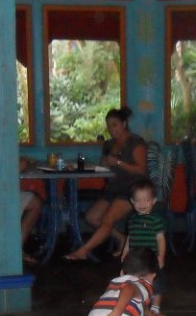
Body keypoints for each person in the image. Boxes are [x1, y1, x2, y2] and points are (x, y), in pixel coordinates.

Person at [63, 106, 148, 260]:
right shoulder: (109, 144)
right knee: (92, 217)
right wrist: (103, 163)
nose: (111, 129)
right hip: (114, 188)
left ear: (124, 124)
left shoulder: (136, 142)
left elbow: (141, 170)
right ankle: (123, 239)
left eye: (115, 125)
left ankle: (83, 251)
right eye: (109, 126)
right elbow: (106, 167)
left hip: (133, 189)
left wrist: (118, 163)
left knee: (108, 219)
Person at [121, 179, 167, 310]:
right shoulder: (132, 219)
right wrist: (125, 253)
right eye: (138, 200)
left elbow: (161, 239)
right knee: (134, 281)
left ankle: (156, 307)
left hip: (151, 258)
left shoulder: (156, 219)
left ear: (153, 201)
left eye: (146, 200)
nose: (142, 204)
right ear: (132, 201)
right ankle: (139, 304)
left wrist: (161, 256)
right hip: (135, 258)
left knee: (156, 281)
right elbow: (129, 237)